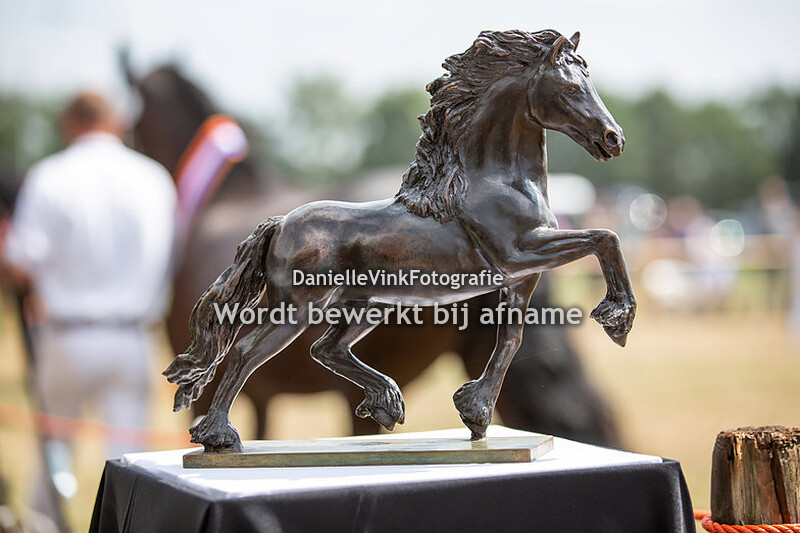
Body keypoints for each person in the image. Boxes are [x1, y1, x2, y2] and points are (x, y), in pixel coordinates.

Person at [1, 92, 176, 511]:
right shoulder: (154, 178)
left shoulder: (51, 175)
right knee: (132, 464)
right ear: (114, 123)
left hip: (66, 334)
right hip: (133, 336)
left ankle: (47, 523)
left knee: (52, 455)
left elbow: (22, 261)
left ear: (71, 123)